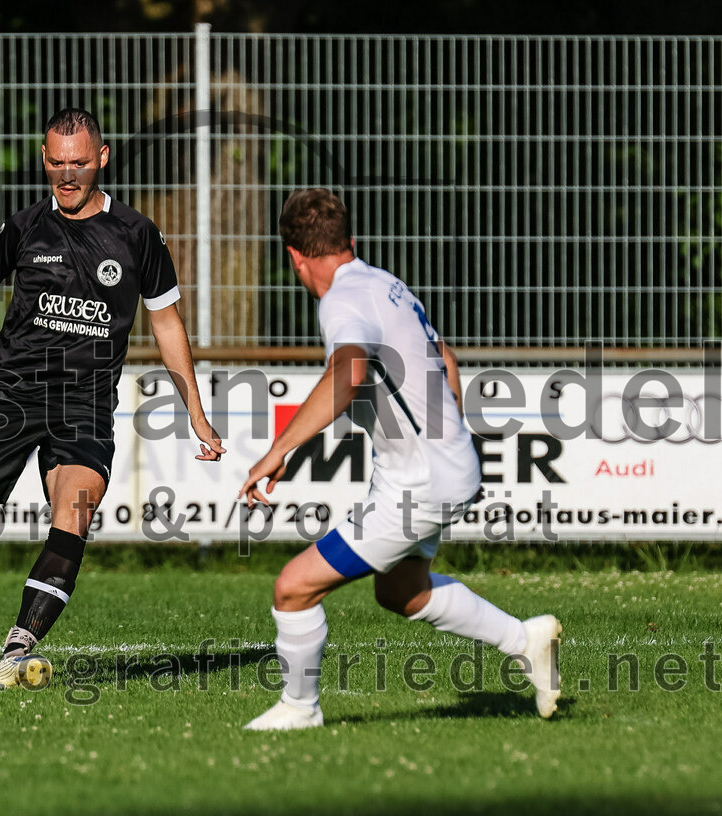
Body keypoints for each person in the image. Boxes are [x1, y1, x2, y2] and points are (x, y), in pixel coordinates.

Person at [0, 108, 224, 690]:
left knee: (74, 514)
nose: (67, 176)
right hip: (11, 398)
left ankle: (16, 651)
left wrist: (197, 413)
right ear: (44, 158)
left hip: (84, 406)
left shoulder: (138, 236)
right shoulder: (23, 227)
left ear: (103, 159)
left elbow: (167, 326)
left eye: (80, 164)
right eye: (57, 164)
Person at [239, 189, 560, 730]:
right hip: (437, 467)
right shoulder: (387, 285)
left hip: (419, 482)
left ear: (294, 256)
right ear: (350, 243)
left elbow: (349, 372)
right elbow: (444, 357)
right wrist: (449, 436)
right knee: (401, 590)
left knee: (293, 588)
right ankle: (524, 640)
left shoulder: (341, 300)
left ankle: (299, 709)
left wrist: (278, 449)